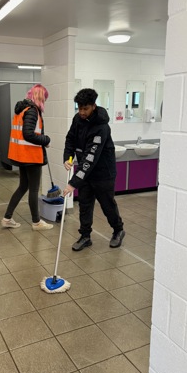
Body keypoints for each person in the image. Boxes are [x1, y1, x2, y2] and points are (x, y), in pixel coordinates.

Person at [62, 88, 125, 251]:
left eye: (85, 109)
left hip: (103, 173)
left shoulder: (101, 127)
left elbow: (91, 157)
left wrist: (72, 183)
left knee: (107, 205)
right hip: (86, 174)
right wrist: (67, 157)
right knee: (85, 204)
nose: (82, 112)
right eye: (79, 108)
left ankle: (118, 230)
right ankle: (85, 236)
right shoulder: (78, 119)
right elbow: (70, 138)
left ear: (94, 106)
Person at [2, 84, 53, 231]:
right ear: (40, 97)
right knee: (33, 189)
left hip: (21, 155)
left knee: (23, 186)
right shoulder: (32, 111)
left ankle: (7, 218)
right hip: (30, 156)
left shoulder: (22, 109)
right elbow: (28, 134)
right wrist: (46, 140)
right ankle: (36, 222)